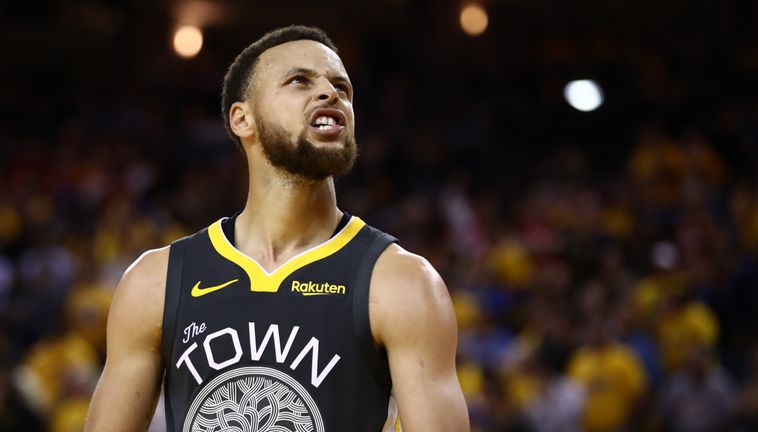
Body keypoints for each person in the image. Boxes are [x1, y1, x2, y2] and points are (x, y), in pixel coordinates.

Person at [84, 25, 469, 431]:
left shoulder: (402, 283)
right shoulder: (156, 281)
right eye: (299, 81)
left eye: (341, 86)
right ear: (242, 118)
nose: (330, 92)